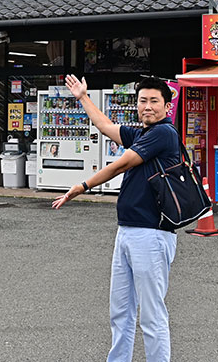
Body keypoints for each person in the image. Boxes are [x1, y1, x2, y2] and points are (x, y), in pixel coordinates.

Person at [53, 75, 180, 362]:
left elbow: (120, 165)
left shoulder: (165, 134)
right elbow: (105, 126)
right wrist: (83, 97)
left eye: (154, 101)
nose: (147, 106)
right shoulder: (143, 134)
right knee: (120, 310)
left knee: (151, 313)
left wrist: (81, 186)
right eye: (143, 101)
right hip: (127, 230)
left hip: (152, 233)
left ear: (167, 106)